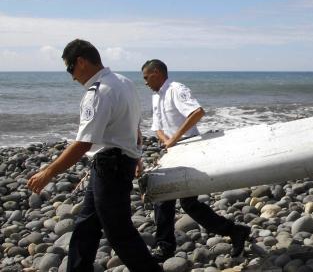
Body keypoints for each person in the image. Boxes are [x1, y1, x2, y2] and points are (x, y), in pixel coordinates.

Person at [27, 39, 161, 272]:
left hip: (110, 166)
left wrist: (48, 172)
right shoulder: (124, 83)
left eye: (70, 69)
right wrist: (135, 155)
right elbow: (132, 126)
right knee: (86, 225)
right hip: (116, 163)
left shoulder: (98, 92)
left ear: (80, 62)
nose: (72, 77)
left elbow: (83, 143)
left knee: (118, 231)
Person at [141, 59, 251, 262]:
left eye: (147, 77)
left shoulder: (176, 89)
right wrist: (166, 140)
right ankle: (235, 231)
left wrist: (174, 139)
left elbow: (197, 112)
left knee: (174, 199)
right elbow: (157, 126)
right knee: (178, 201)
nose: (145, 82)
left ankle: (165, 248)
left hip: (189, 147)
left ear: (157, 73)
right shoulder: (156, 97)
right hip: (172, 150)